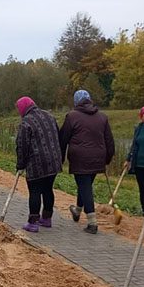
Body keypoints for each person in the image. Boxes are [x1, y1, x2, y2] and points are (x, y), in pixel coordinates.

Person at [59, 90, 115, 234]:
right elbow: (109, 141)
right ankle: (77, 210)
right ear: (90, 100)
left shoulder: (71, 116)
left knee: (85, 187)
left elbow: (63, 139)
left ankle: (92, 222)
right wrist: (107, 158)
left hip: (79, 158)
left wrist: (61, 158)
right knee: (85, 185)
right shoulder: (102, 117)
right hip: (98, 157)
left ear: (76, 101)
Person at [14, 97, 63, 233]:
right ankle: (47, 218)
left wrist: (20, 164)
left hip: (37, 163)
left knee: (35, 190)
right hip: (54, 160)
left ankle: (33, 222)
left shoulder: (26, 122)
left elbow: (22, 146)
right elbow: (57, 137)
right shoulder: (49, 116)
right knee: (48, 189)